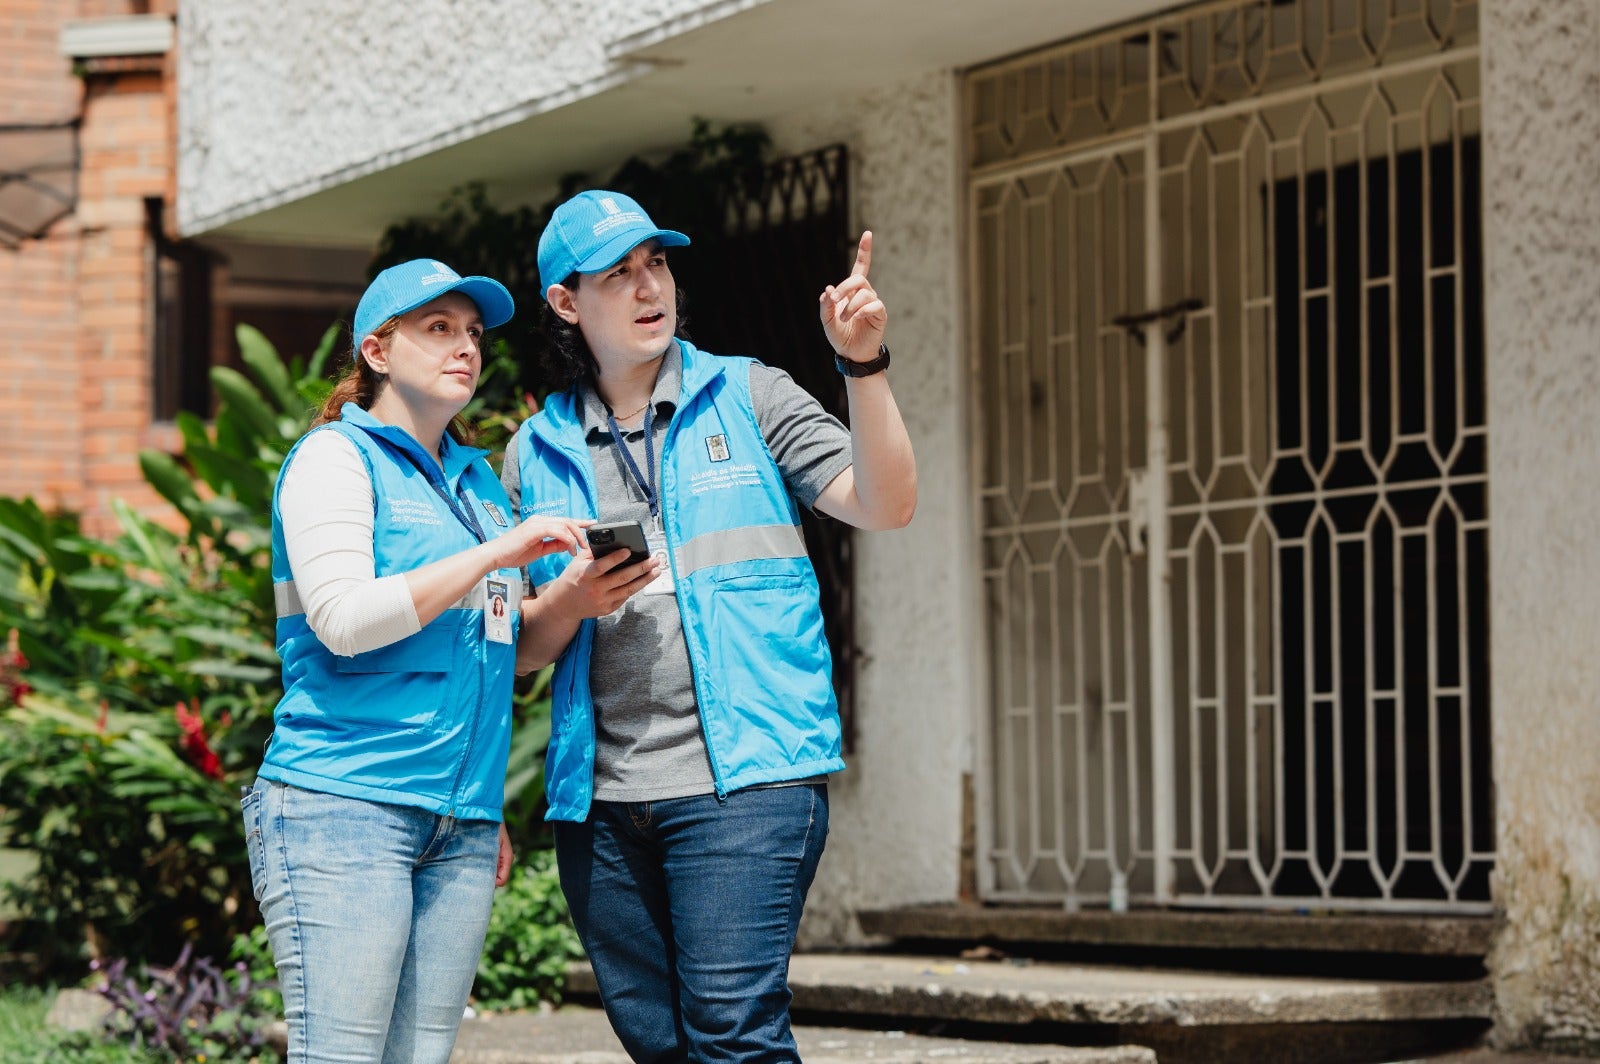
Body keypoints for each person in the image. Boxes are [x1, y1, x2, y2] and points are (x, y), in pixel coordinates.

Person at [502, 189, 916, 1062]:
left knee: (733, 1034)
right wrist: (573, 600)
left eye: (657, 263)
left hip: (749, 780)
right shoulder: (532, 452)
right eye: (619, 273)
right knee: (662, 1045)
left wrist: (864, 367)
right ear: (567, 304)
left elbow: (886, 503)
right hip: (602, 801)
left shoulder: (749, 393)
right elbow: (520, 654)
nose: (650, 286)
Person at [242, 259, 590, 1064]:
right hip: (344, 807)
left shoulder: (476, 489)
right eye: (438, 328)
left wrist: (575, 595)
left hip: (460, 822)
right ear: (375, 350)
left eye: (471, 333)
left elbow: (513, 649)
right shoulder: (335, 458)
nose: (464, 346)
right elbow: (344, 620)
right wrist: (499, 552)